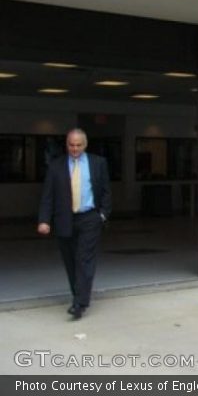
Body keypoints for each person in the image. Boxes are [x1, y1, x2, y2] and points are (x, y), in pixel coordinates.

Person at [37, 128, 111, 319]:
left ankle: (80, 303)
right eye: (71, 145)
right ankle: (78, 295)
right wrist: (44, 220)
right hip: (65, 219)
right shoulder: (56, 166)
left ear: (85, 145)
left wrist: (102, 215)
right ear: (66, 144)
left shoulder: (98, 163)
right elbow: (48, 195)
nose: (75, 149)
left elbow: (105, 191)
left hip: (89, 218)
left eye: (78, 145)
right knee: (70, 261)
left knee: (84, 260)